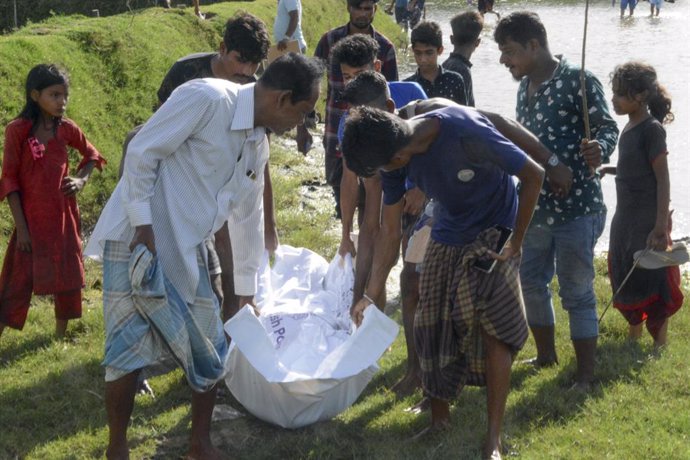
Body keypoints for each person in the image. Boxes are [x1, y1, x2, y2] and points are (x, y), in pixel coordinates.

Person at [85, 53, 323, 460]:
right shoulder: (208, 99)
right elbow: (143, 151)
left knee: (210, 347)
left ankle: (200, 444)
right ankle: (117, 448)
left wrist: (243, 290)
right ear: (283, 100)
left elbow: (247, 216)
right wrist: (143, 224)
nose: (298, 125)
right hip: (136, 239)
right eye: (301, 113)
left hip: (190, 245)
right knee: (126, 350)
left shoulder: (255, 143)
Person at [343, 105, 544, 459]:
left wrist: (517, 240)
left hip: (496, 227)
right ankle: (439, 420)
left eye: (384, 168)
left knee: (493, 324)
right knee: (429, 322)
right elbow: (391, 232)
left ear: (399, 154)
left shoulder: (466, 132)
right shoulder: (394, 156)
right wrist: (372, 295)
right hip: (448, 227)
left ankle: (493, 437)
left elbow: (534, 174)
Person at [121, 13, 273, 323]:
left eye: (254, 63)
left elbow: (257, 163)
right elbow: (156, 134)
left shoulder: (252, 90)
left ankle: (231, 309)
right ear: (222, 48)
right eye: (240, 59)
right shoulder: (187, 72)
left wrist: (269, 222)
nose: (246, 71)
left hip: (221, 182)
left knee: (228, 245)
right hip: (181, 177)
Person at [494, 11, 619, 389]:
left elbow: (608, 128)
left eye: (510, 51)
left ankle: (585, 375)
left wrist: (600, 149)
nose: (504, 60)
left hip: (577, 207)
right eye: (502, 53)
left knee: (576, 290)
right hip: (535, 207)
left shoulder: (578, 81)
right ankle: (546, 354)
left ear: (535, 45)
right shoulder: (523, 86)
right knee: (531, 282)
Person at [0, 64, 106, 341]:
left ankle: (60, 337)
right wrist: (21, 229)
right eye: (54, 95)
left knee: (68, 277)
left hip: (63, 218)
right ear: (35, 95)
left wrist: (81, 180)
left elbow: (92, 154)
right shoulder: (18, 131)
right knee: (16, 280)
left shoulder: (66, 129)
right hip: (31, 222)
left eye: (64, 95)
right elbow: (9, 181)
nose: (62, 102)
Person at [601, 62, 683, 349]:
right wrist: (608, 169)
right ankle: (633, 338)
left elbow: (663, 179)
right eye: (613, 93)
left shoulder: (651, 129)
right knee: (627, 271)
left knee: (653, 277)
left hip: (647, 219)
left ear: (641, 96)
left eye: (620, 94)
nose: (614, 99)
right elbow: (633, 168)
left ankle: (659, 343)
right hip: (625, 217)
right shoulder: (630, 125)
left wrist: (660, 226)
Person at [313, 0, 398, 219]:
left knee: (372, 201)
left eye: (367, 8)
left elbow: (392, 91)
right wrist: (305, 121)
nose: (362, 14)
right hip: (336, 131)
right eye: (358, 8)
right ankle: (347, 242)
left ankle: (363, 243)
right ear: (349, 8)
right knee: (342, 195)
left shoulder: (385, 47)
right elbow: (312, 79)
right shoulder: (329, 41)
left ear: (375, 10)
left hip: (373, 135)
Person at [405, 21, 468, 106]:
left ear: (440, 50)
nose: (423, 59)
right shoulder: (408, 86)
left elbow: (465, 115)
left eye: (429, 53)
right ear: (413, 51)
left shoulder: (455, 81)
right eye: (418, 53)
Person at [442, 10, 484, 107]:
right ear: (477, 42)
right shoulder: (463, 70)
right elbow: (465, 112)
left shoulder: (445, 65)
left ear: (451, 39)